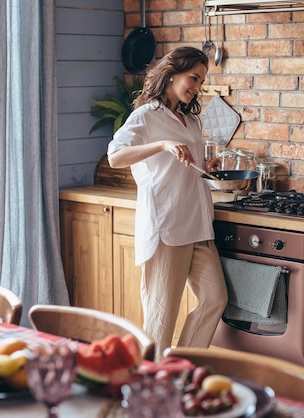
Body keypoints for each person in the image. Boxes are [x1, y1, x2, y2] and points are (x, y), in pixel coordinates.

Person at [107, 46, 228, 360]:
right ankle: (151, 385)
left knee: (215, 299)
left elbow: (184, 165)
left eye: (201, 81)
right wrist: (161, 143)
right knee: (161, 319)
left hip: (198, 224)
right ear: (172, 74)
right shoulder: (147, 116)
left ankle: (178, 368)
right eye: (194, 78)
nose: (197, 87)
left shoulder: (190, 120)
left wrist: (206, 164)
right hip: (166, 226)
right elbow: (115, 156)